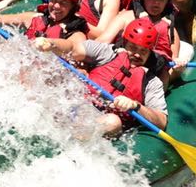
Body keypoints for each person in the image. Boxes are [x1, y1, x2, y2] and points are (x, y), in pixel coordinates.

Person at [32, 17, 168, 136]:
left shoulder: (151, 82)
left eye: (143, 51)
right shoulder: (108, 53)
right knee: (56, 77)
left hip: (104, 122)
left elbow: (161, 120)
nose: (137, 54)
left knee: (113, 122)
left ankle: (70, 137)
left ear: (150, 53)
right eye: (133, 47)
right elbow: (73, 48)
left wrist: (136, 106)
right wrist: (51, 44)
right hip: (81, 104)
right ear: (125, 43)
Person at [96, 0, 183, 69]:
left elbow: (173, 65)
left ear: (168, 0)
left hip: (150, 75)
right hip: (118, 68)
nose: (156, 3)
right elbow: (101, 42)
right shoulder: (125, 18)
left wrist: (178, 69)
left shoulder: (171, 31)